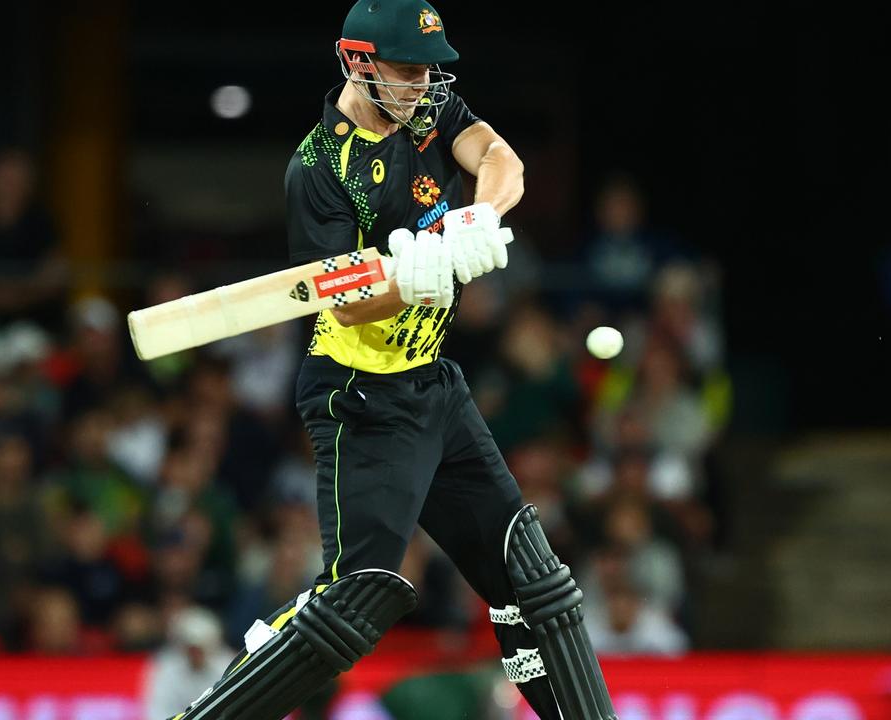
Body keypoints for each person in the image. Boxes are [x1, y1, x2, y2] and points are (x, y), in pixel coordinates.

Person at [167, 2, 615, 718]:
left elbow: (500, 160)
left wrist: (481, 217)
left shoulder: (428, 107)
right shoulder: (317, 168)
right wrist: (412, 279)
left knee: (533, 580)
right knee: (361, 596)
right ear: (357, 62)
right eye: (408, 71)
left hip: (433, 384)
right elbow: (343, 303)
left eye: (430, 70)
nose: (424, 84)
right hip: (360, 396)